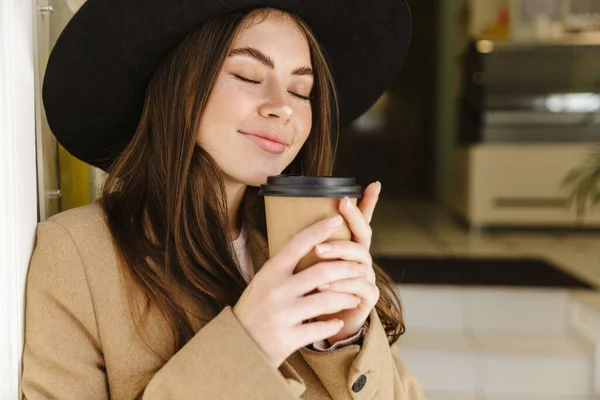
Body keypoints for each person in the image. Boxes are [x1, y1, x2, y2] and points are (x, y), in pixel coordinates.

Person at [21, 1, 422, 399]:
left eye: (302, 90)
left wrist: (344, 340)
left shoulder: (307, 244)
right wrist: (247, 348)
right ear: (177, 84)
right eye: (248, 76)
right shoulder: (78, 257)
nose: (283, 107)